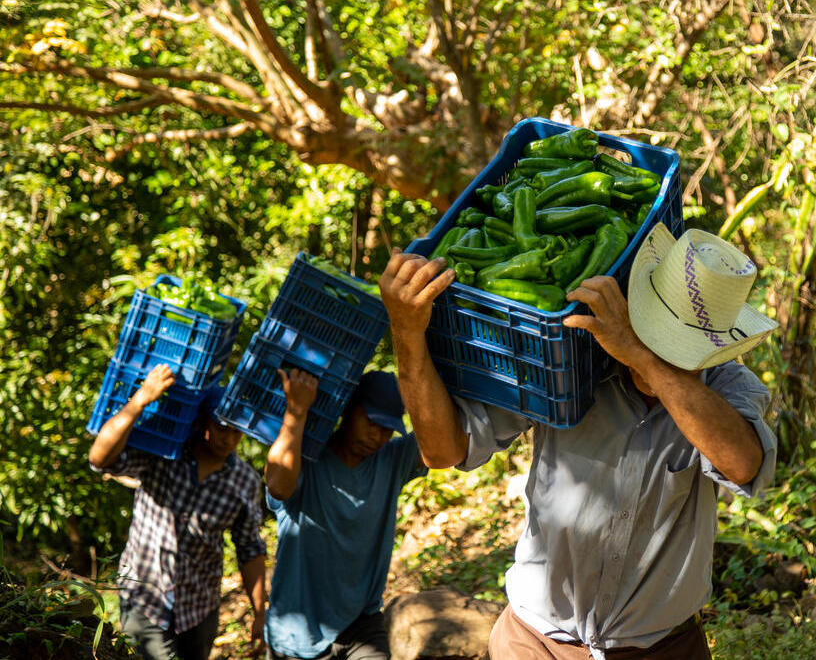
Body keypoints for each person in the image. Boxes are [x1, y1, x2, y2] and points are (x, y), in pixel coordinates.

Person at [378, 223, 779, 660]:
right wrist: (408, 334)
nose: (658, 353)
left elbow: (743, 463)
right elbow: (443, 449)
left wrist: (643, 356)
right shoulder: (569, 361)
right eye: (654, 333)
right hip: (535, 643)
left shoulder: (730, 389)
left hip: (662, 647)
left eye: (677, 347)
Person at [89, 365, 267, 660]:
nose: (229, 439)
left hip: (200, 608)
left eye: (237, 432)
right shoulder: (163, 456)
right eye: (222, 428)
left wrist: (260, 611)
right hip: (145, 600)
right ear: (202, 423)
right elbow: (99, 459)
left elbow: (249, 546)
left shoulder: (244, 481)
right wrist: (140, 400)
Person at [263, 368, 427, 660]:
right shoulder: (307, 460)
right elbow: (277, 486)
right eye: (371, 422)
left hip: (361, 622)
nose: (378, 436)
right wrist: (296, 412)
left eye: (387, 428)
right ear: (348, 410)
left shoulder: (390, 461)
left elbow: (440, 436)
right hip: (298, 632)